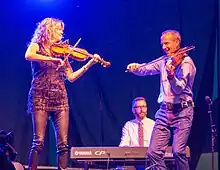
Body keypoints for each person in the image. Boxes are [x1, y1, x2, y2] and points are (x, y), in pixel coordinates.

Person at [25, 17, 101, 170]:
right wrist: (51, 59)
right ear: (49, 30)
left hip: (60, 99)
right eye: (59, 29)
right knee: (38, 141)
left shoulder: (62, 53)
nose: (62, 32)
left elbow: (71, 77)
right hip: (40, 97)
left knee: (63, 143)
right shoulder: (36, 46)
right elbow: (28, 55)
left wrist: (89, 63)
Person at [126, 30, 196, 170]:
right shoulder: (164, 61)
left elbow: (179, 89)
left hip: (182, 111)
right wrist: (135, 67)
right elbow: (146, 68)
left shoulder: (186, 63)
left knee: (178, 151)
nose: (164, 47)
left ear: (177, 43)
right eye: (162, 44)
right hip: (164, 111)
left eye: (167, 43)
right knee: (153, 153)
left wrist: (171, 76)